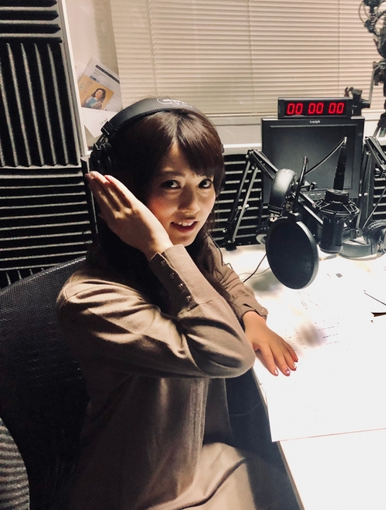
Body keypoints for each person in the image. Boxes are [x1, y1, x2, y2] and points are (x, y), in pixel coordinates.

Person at [57, 98, 299, 509]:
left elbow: (222, 274)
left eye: (205, 183)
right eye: (171, 184)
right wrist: (158, 245)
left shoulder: (187, 252)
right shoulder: (92, 302)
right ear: (123, 191)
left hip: (201, 459)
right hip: (148, 490)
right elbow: (229, 355)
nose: (194, 206)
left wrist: (252, 317)